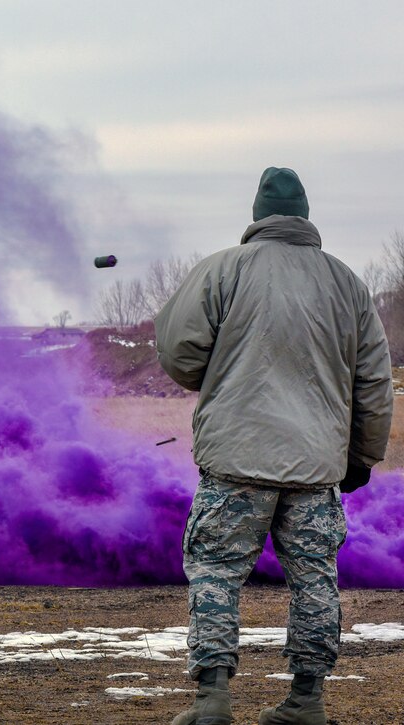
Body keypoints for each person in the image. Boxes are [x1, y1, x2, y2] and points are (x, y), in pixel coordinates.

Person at [155, 168, 393, 725]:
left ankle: (212, 701)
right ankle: (307, 703)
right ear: (305, 216)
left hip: (235, 459)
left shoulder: (223, 270)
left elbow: (178, 350)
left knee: (215, 569)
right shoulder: (347, 284)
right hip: (316, 465)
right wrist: (362, 456)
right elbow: (374, 382)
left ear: (258, 214)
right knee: (315, 577)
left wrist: (216, 376)